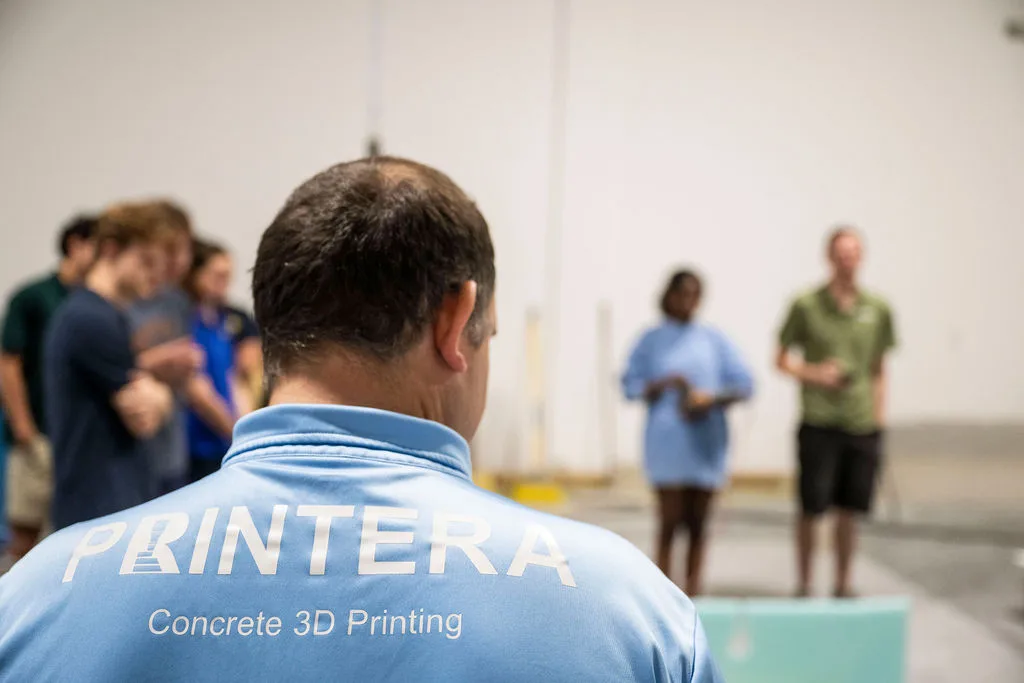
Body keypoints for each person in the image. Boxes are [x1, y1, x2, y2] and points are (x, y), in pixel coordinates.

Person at [0, 157, 721, 682]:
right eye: (490, 332)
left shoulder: (38, 596)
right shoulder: (625, 610)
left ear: (278, 323)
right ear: (456, 319)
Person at [776, 226, 896, 598]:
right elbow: (781, 359)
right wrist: (815, 373)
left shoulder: (876, 309)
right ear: (829, 257)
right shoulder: (806, 304)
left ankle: (843, 583)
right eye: (841, 253)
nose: (847, 260)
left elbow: (879, 367)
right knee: (812, 506)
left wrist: (878, 418)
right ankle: (805, 582)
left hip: (860, 422)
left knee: (850, 508)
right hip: (818, 419)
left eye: (853, 253)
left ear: (861, 257)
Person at [43, 202, 177, 531]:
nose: (153, 274)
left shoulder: (104, 315)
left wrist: (153, 390)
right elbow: (143, 417)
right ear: (111, 249)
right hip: (97, 509)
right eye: (145, 261)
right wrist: (164, 393)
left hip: (107, 504)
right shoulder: (90, 318)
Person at [622, 270, 754, 595]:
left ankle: (694, 592)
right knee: (669, 522)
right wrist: (666, 383)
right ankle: (664, 593)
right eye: (682, 293)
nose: (687, 301)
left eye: (694, 295)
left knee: (698, 524)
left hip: (705, 441)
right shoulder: (652, 340)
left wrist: (710, 397)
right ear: (669, 295)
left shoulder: (713, 340)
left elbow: (744, 384)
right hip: (668, 444)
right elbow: (630, 384)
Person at [0, 215, 96, 566]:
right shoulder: (34, 297)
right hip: (37, 434)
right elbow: (8, 362)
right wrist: (24, 428)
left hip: (79, 441)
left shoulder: (94, 303)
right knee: (25, 534)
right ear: (75, 245)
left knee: (72, 540)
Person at [127, 200, 234, 496]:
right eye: (170, 249)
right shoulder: (121, 303)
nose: (178, 260)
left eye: (183, 250)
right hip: (130, 455)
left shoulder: (179, 304)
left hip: (172, 453)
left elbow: (196, 379)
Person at [183, 240, 258, 481]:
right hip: (198, 446)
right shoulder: (185, 321)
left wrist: (247, 431)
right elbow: (196, 391)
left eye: (228, 275)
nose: (224, 283)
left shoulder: (220, 320)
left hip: (225, 442)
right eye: (217, 275)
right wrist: (235, 433)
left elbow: (232, 376)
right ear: (195, 274)